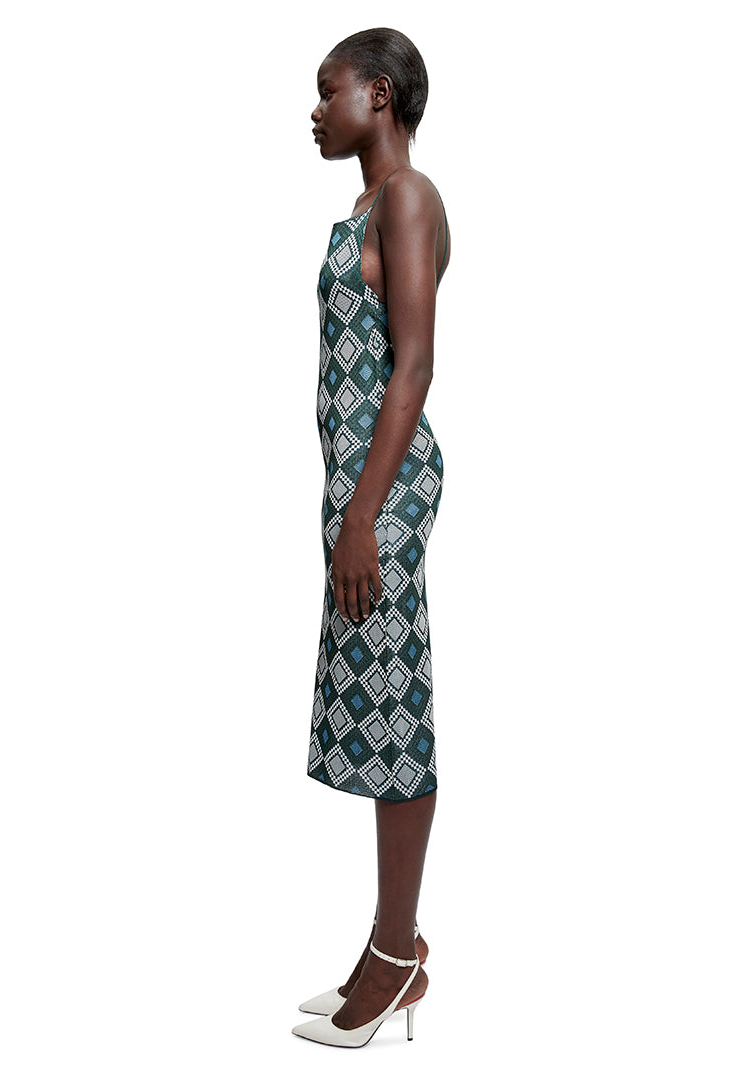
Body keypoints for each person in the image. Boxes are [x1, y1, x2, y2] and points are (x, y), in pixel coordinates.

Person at [292, 27, 450, 1048]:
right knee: (374, 703)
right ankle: (387, 946)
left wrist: (362, 513)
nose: (315, 111)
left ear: (380, 95)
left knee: (396, 710)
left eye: (329, 90)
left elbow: (414, 365)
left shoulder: (409, 197)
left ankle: (398, 956)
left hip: (380, 489)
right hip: (357, 485)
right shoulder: (363, 207)